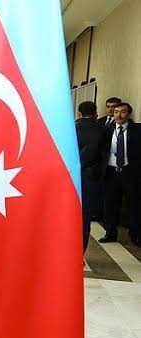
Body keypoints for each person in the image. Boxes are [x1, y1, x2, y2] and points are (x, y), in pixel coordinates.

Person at [99, 102, 141, 244]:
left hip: (130, 173)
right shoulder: (106, 129)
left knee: (133, 204)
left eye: (122, 112)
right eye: (116, 112)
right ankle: (110, 233)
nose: (118, 115)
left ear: (128, 114)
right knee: (110, 205)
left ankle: (135, 234)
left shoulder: (137, 130)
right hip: (111, 172)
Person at [76, 101, 104, 252]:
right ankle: (81, 251)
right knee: (85, 216)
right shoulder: (103, 129)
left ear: (78, 113)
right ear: (95, 113)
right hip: (91, 177)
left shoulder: (71, 128)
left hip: (71, 177)